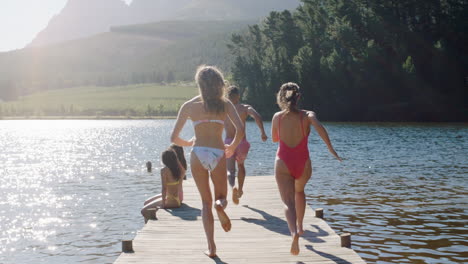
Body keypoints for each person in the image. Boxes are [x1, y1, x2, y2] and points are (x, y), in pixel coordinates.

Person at [170, 65, 244, 257]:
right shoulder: (225, 104)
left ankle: (211, 248)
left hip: (198, 153)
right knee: (222, 198)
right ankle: (220, 207)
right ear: (219, 84)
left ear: (200, 84)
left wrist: (189, 142)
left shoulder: (189, 106)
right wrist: (233, 146)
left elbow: (174, 138)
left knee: (205, 203)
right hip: (218, 152)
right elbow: (240, 129)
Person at [271, 82, 341, 255]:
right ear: (299, 97)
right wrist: (331, 150)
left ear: (281, 97)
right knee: (299, 192)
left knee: (288, 202)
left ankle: (294, 233)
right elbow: (321, 129)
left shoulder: (277, 117)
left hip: (283, 162)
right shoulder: (308, 115)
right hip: (303, 163)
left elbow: (274, 139)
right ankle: (301, 227)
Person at [224, 85, 267, 204]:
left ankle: (233, 187)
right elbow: (257, 116)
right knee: (241, 166)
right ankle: (240, 190)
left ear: (228, 96)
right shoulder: (245, 108)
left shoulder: (224, 108)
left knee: (230, 170)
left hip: (228, 142)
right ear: (238, 96)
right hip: (241, 142)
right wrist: (262, 132)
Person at [141, 148, 186, 223]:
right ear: (175, 159)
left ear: (164, 160)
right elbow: (183, 169)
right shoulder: (179, 170)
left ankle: (151, 224)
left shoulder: (164, 171)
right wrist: (175, 158)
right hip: (177, 201)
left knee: (143, 211)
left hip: (169, 201)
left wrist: (163, 205)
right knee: (146, 202)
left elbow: (164, 189)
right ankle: (151, 220)